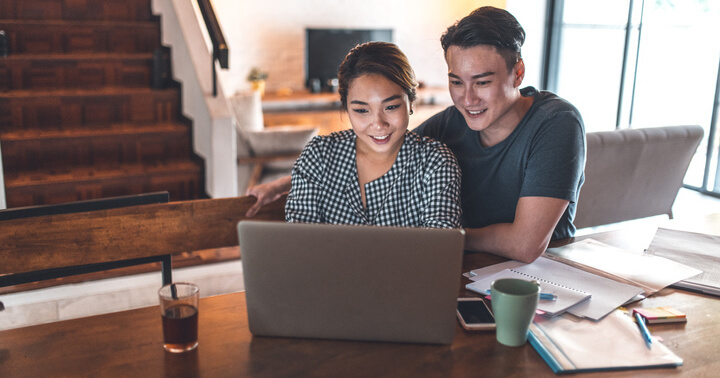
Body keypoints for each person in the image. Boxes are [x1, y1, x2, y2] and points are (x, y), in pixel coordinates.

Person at [246, 7, 585, 262]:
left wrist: (443, 238)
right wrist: (283, 183)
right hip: (467, 269)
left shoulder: (556, 123)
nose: (467, 99)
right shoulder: (453, 122)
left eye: (482, 82)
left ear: (517, 72)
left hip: (542, 276)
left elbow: (525, 245)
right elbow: (379, 144)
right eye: (456, 82)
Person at [284, 41, 462, 228]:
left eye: (391, 107)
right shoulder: (318, 155)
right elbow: (300, 240)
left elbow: (441, 245)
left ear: (410, 101)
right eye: (361, 110)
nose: (378, 124)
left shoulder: (435, 162)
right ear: (346, 109)